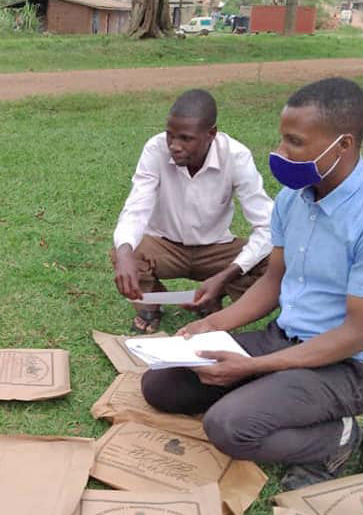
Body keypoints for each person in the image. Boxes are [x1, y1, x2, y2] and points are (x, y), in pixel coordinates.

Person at [140, 77, 363, 491]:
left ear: (342, 145)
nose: (279, 152)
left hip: (347, 366)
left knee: (229, 428)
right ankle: (271, 393)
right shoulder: (294, 198)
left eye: (294, 142)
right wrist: (213, 324)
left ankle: (339, 437)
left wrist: (253, 367)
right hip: (283, 338)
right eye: (282, 139)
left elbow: (355, 336)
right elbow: (272, 283)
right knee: (162, 385)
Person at [112, 89, 273, 333]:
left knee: (273, 261)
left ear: (211, 134)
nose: (174, 146)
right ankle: (151, 305)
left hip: (216, 250)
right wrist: (124, 253)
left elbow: (267, 226)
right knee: (124, 249)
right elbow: (136, 207)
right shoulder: (156, 149)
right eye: (170, 136)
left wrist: (225, 276)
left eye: (186, 138)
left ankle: (218, 304)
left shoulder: (236, 157)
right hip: (165, 246)